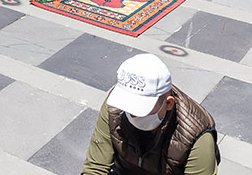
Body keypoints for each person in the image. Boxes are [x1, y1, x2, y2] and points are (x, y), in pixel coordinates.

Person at [81, 53, 218, 175]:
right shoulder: (114, 106)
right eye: (127, 104)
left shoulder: (197, 135)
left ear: (168, 104)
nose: (131, 113)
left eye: (140, 108)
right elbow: (95, 168)